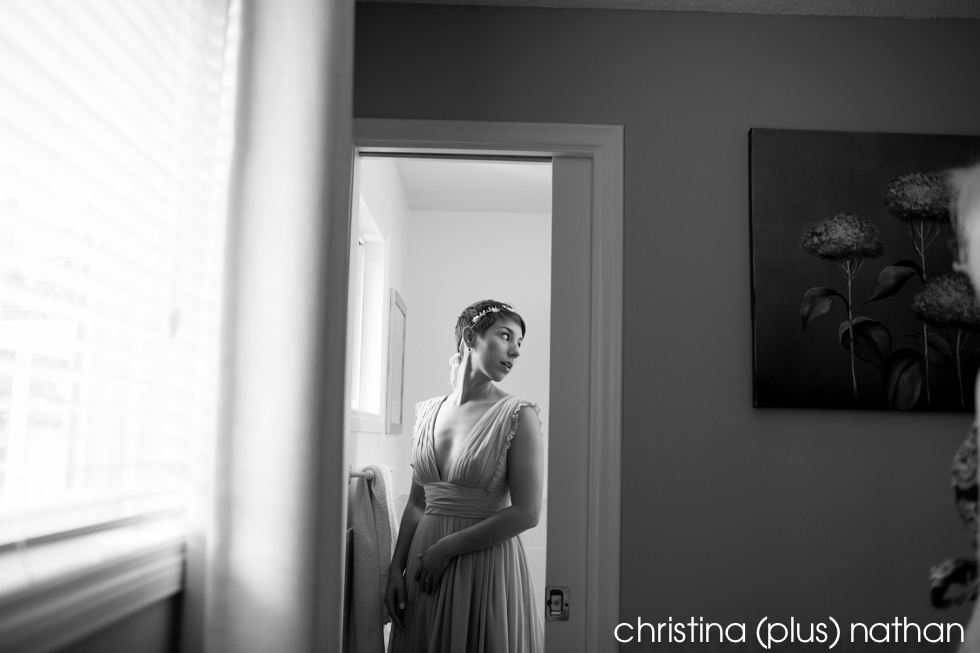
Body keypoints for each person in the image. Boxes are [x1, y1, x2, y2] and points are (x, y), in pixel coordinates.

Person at [385, 300, 545, 653]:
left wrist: (448, 548)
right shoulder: (427, 413)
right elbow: (416, 503)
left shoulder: (519, 415)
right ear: (471, 337)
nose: (515, 351)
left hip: (483, 568)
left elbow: (527, 513)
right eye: (506, 336)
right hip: (423, 568)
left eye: (519, 343)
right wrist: (395, 569)